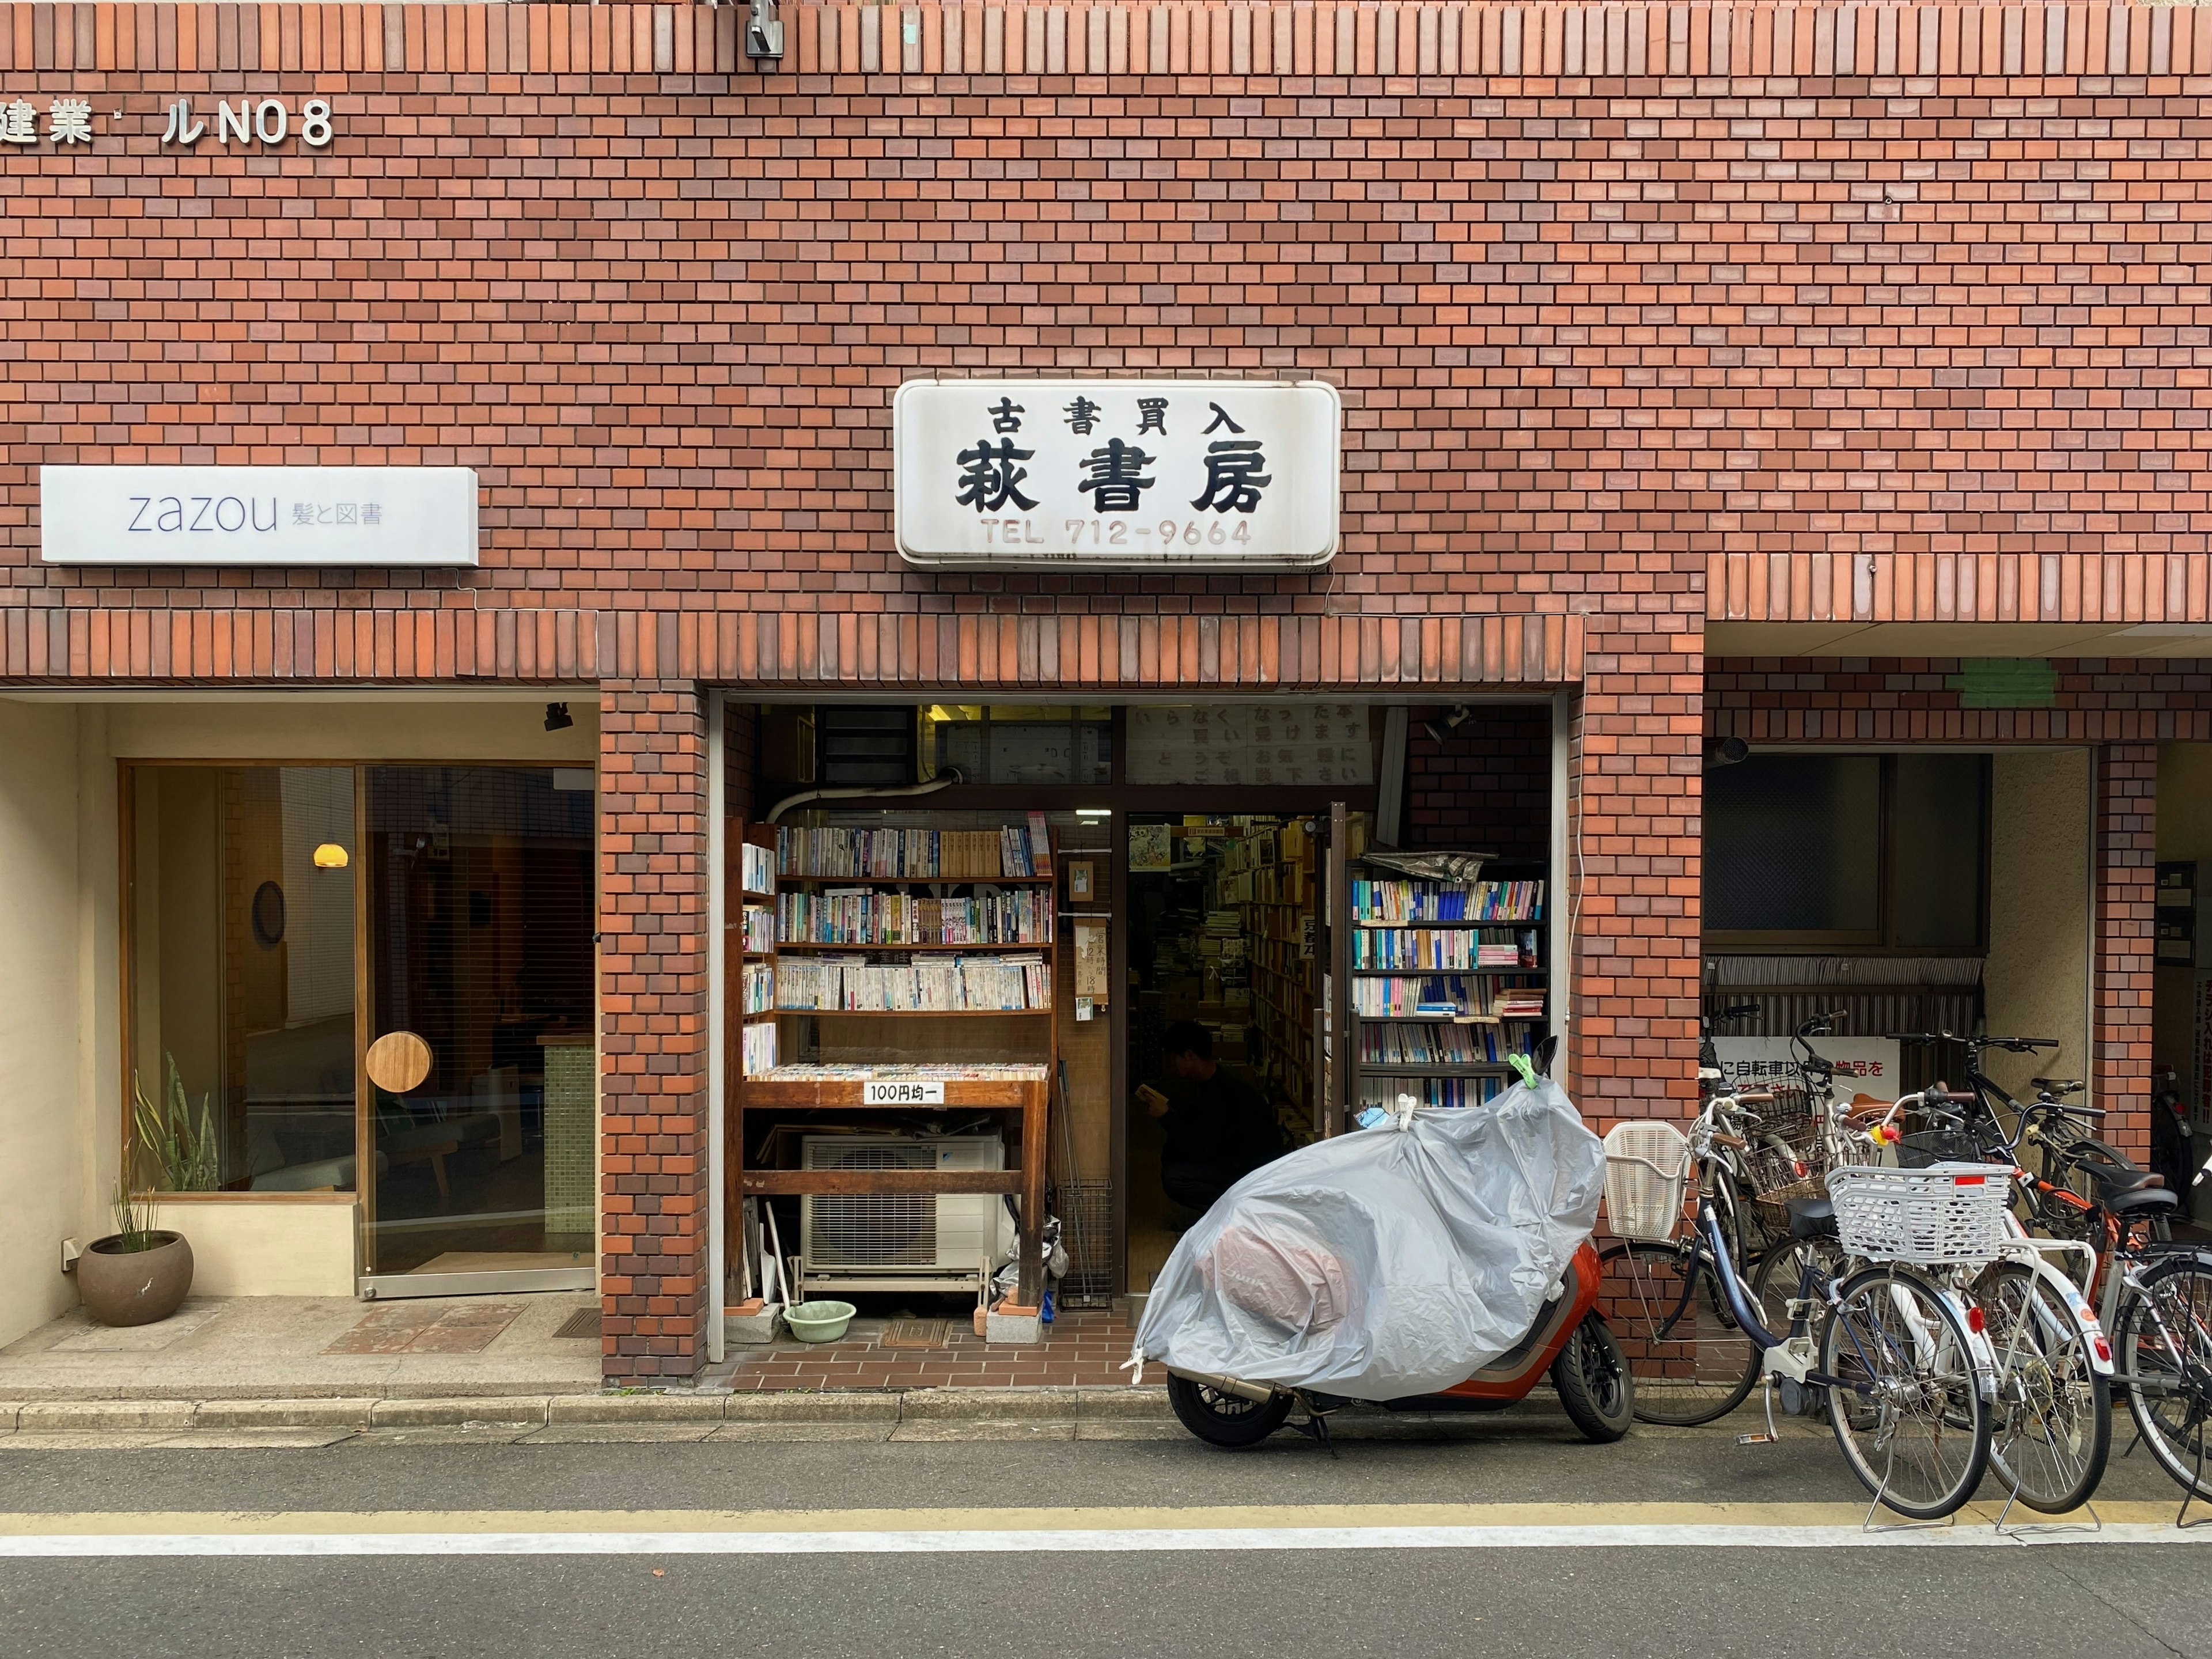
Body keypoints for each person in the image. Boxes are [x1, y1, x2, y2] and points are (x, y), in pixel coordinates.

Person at [1143, 1021, 1286, 1217]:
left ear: (1190, 1055)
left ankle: (1233, 1213)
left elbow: (1202, 1147)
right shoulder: (1214, 1078)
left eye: (1173, 1058)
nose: (1170, 1064)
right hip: (1239, 1158)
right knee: (1174, 1159)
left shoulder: (1222, 1091)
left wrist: (1167, 1116)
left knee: (1175, 1178)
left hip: (1252, 1169)